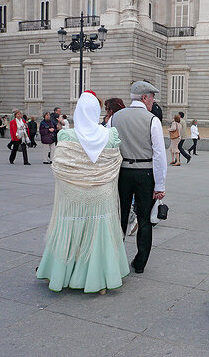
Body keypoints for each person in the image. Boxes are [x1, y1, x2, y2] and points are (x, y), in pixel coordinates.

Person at [36, 91, 129, 293]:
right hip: (101, 193)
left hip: (72, 193)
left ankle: (61, 274)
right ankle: (100, 280)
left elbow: (59, 166)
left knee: (69, 229)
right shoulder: (109, 135)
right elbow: (115, 162)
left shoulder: (66, 135)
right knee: (99, 234)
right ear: (96, 112)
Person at [111, 81, 167, 274]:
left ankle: (115, 260)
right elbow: (159, 154)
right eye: (152, 97)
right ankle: (140, 262)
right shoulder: (152, 120)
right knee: (144, 220)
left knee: (120, 217)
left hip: (122, 172)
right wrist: (159, 185)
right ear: (144, 97)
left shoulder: (115, 118)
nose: (153, 102)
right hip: (145, 173)